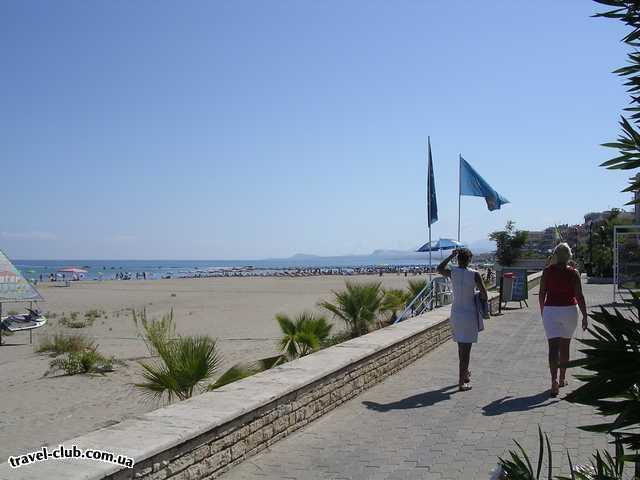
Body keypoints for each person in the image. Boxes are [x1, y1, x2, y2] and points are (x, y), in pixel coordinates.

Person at [539, 243, 588, 397]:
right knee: (565, 346)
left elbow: (541, 293)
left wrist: (543, 310)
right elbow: (579, 296)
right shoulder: (574, 273)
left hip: (551, 311)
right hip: (569, 311)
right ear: (569, 256)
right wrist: (585, 315)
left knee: (553, 348)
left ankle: (553, 381)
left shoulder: (547, 272)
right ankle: (562, 378)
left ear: (555, 255)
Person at [437, 248, 488, 391]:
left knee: (461, 348)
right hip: (469, 314)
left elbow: (439, 268)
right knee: (466, 351)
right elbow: (484, 294)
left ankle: (465, 374)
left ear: (457, 259)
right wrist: (477, 296)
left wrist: (450, 256)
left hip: (456, 314)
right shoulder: (475, 274)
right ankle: (461, 382)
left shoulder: (453, 272)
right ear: (469, 260)